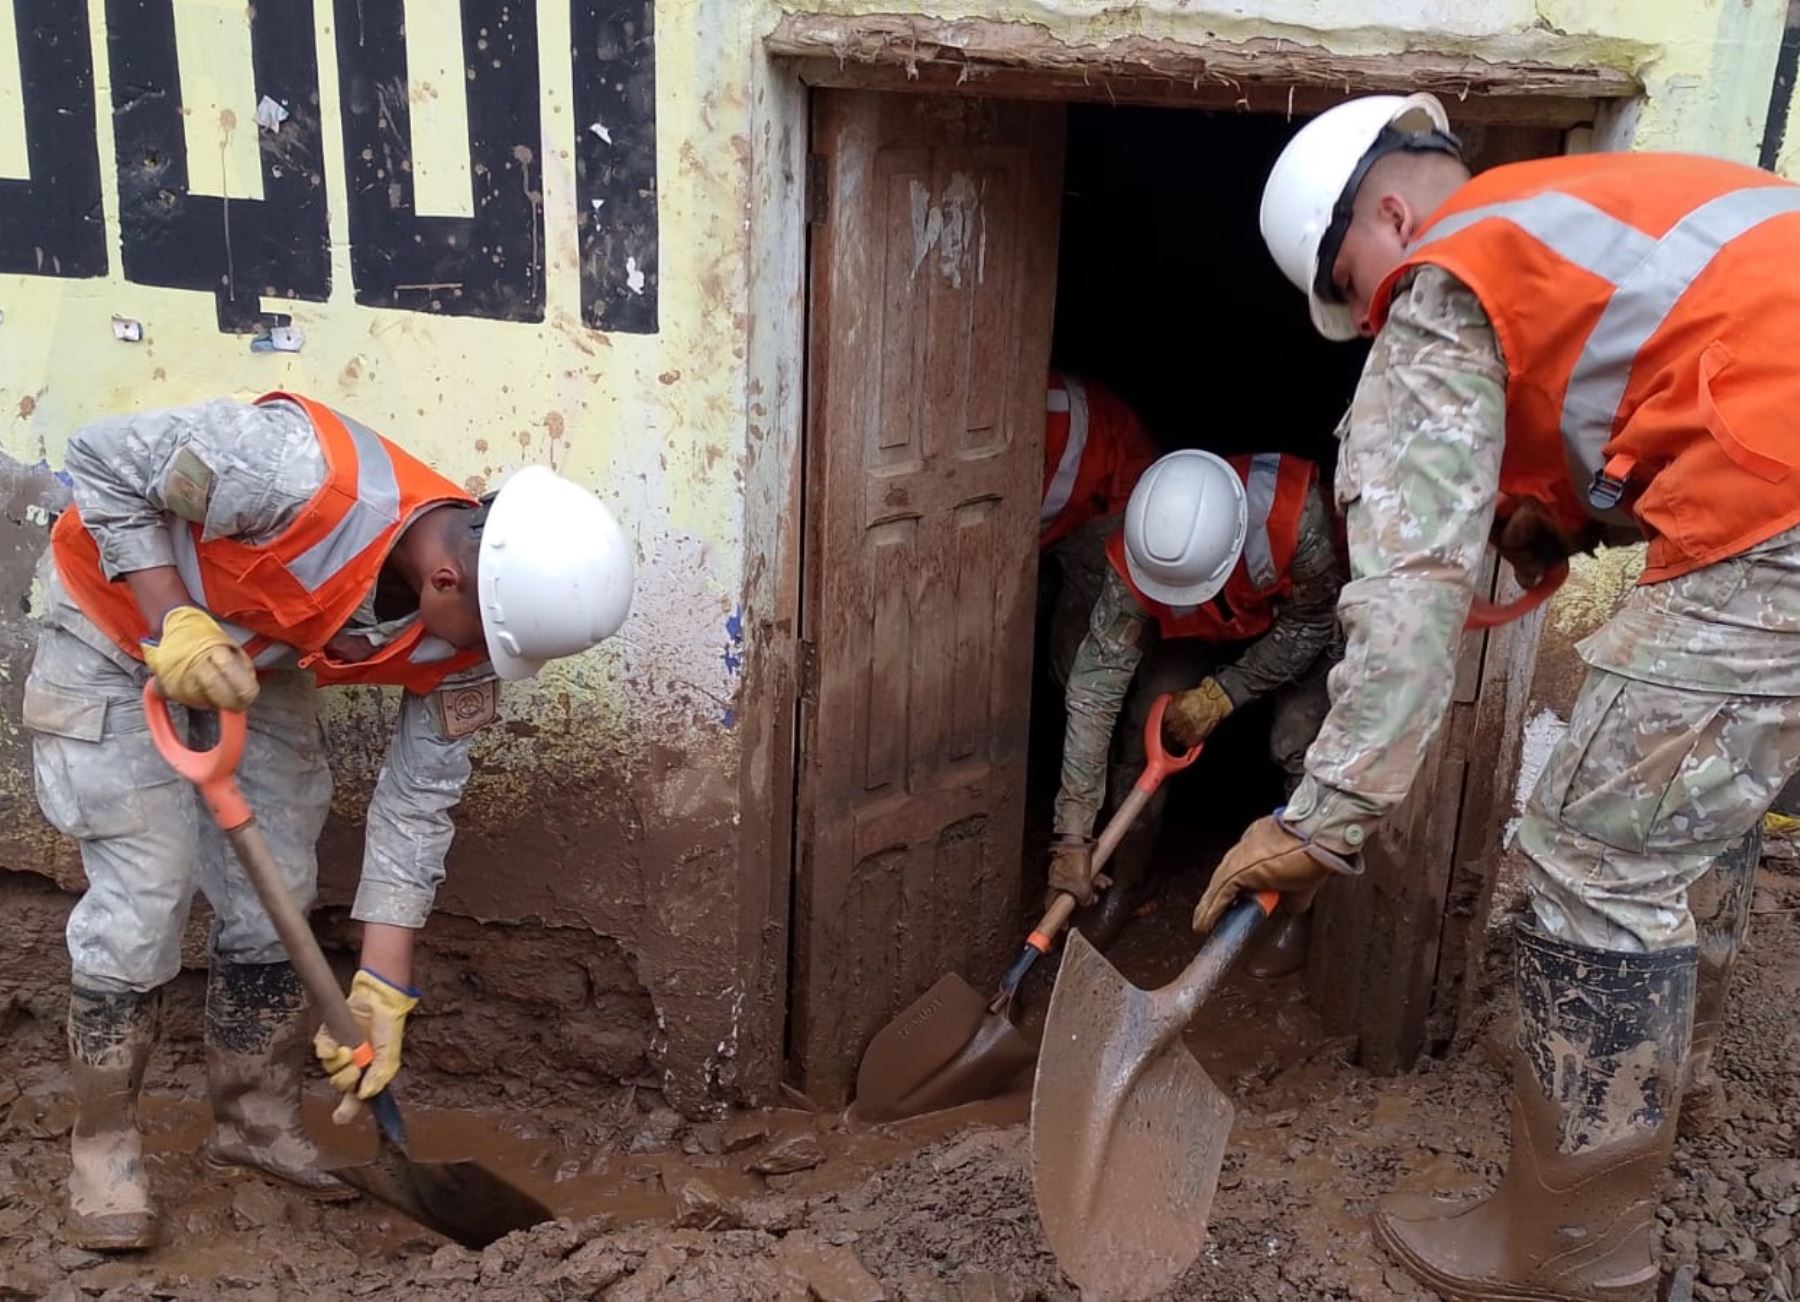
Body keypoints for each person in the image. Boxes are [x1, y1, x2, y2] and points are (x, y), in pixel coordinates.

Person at [1202, 91, 1800, 1300]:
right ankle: (1670, 1084)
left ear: (1384, 211)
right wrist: (1574, 512)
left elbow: (1409, 597)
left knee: (1596, 844)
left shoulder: (1441, 274)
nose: (1371, 315)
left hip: (1776, 501)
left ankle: (1572, 1252)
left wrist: (1322, 817)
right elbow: (1698, 359)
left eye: (1352, 286)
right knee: (1700, 801)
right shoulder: (1595, 211)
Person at [27, 392, 634, 1250]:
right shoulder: (292, 471)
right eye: (491, 645)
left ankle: (257, 1123)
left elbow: (419, 805)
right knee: (144, 903)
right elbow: (99, 460)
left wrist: (384, 990)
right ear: (447, 579)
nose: (484, 664)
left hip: (254, 660)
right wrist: (172, 619)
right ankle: (104, 1147)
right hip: (110, 632)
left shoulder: (464, 625)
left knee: (277, 886)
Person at [1048, 447, 1340, 958]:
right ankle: (1129, 879)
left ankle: (1298, 907)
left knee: (1297, 743)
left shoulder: (1298, 520)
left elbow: (1311, 625)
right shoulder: (1141, 545)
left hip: (1293, 624)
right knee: (1146, 724)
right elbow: (1094, 690)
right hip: (1201, 624)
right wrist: (1071, 834)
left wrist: (1224, 694)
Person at [1037, 369, 1159, 688]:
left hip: (1113, 496)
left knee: (1086, 644)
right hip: (1071, 479)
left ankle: (1074, 697)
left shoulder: (1074, 433)